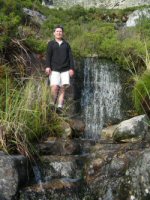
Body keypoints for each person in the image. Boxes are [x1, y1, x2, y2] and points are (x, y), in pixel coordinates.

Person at [45, 25, 75, 113]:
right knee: (54, 86)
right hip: (54, 69)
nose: (59, 33)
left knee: (62, 88)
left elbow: (71, 57)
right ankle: (52, 103)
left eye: (60, 31)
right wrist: (47, 66)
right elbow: (48, 56)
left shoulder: (66, 44)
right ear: (54, 33)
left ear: (63, 33)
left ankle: (60, 106)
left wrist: (71, 69)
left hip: (65, 70)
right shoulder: (51, 44)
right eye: (57, 31)